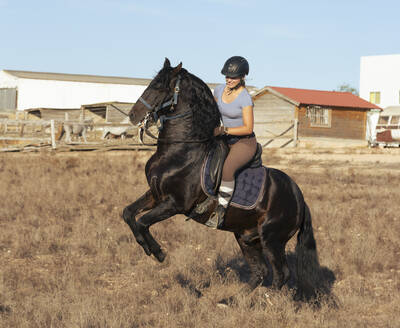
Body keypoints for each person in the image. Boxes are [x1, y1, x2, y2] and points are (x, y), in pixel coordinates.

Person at [204, 56, 257, 229]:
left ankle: (220, 210)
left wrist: (224, 130)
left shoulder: (245, 98)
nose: (228, 79)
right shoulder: (219, 90)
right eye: (226, 76)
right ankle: (208, 196)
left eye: (233, 77)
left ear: (242, 77)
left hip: (244, 142)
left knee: (227, 169)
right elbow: (211, 112)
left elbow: (248, 128)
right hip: (224, 138)